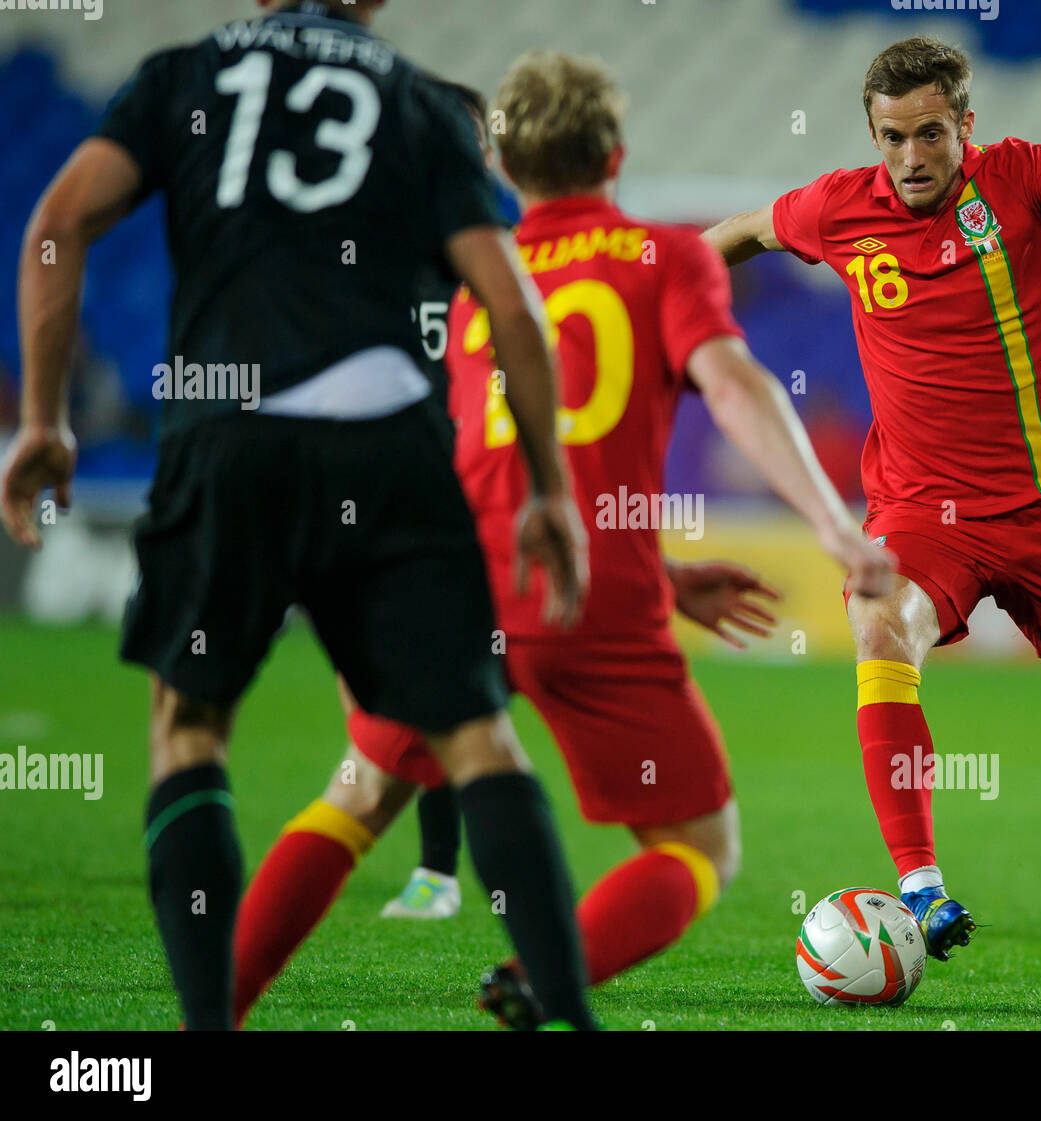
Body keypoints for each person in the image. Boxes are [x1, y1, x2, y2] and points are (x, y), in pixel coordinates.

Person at [231, 48, 895, 1029]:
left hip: (463, 586)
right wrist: (834, 525)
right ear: (616, 153)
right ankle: (546, 974)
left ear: (505, 168)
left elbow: (487, 469)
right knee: (695, 846)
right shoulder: (662, 259)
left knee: (357, 791)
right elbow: (736, 386)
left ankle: (207, 1017)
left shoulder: (475, 292)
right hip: (593, 598)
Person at [0, 0, 599, 1029]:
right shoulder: (416, 100)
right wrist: (550, 487)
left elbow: (57, 223)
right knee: (477, 736)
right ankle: (573, 1021)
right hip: (388, 436)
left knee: (189, 730)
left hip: (226, 432)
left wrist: (45, 419)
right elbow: (510, 300)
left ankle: (206, 1023)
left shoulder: (181, 76)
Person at [703, 36, 1041, 964]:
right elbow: (741, 229)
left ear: (964, 126)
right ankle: (920, 885)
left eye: (930, 133)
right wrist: (655, 292)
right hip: (918, 512)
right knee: (875, 623)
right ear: (873, 135)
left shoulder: (1020, 179)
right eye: (892, 138)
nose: (912, 158)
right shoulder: (838, 208)